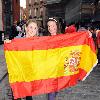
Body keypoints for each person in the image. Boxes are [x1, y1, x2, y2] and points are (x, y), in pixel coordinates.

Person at [5, 19, 39, 100]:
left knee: (29, 96)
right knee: (17, 96)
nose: (33, 30)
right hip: (18, 73)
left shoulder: (38, 41)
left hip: (29, 74)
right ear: (26, 28)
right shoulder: (18, 40)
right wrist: (9, 43)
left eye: (35, 28)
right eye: (31, 27)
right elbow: (12, 55)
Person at [46, 17, 61, 100]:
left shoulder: (63, 38)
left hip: (59, 70)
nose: (50, 28)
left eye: (52, 25)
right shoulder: (46, 39)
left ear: (57, 26)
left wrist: (87, 33)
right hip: (50, 71)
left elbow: (76, 37)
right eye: (49, 26)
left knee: (55, 91)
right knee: (51, 93)